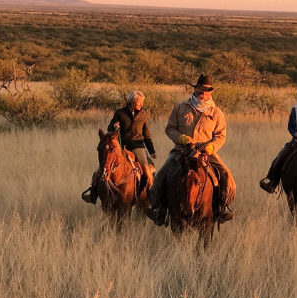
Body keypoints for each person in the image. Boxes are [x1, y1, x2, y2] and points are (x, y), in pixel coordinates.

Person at [144, 74, 235, 224]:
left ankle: (222, 208)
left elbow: (221, 135)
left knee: (226, 176)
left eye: (206, 90)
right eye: (200, 89)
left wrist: (211, 146)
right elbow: (170, 128)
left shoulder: (217, 112)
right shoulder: (180, 108)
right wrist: (181, 138)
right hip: (181, 150)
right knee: (161, 176)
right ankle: (158, 209)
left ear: (211, 92)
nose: (203, 93)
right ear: (195, 89)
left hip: (206, 152)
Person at [82, 90, 156, 204]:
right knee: (100, 169)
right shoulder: (120, 113)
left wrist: (151, 150)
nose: (141, 104)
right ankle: (93, 193)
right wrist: (114, 125)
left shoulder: (143, 115)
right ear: (132, 101)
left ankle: (152, 195)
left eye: (142, 102)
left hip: (137, 146)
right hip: (121, 145)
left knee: (147, 169)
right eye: (139, 102)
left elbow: (146, 134)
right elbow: (110, 128)